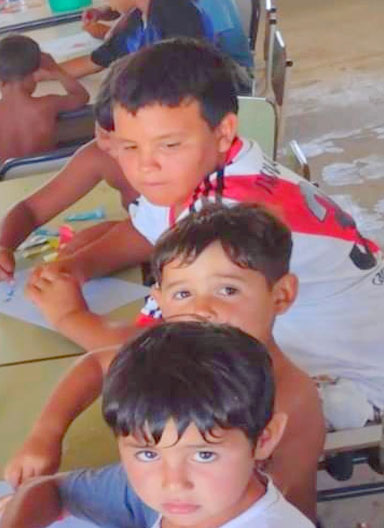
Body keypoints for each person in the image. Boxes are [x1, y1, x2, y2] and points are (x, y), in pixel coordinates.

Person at [29, 38, 384, 421]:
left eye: (168, 144)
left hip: (350, 389)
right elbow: (145, 228)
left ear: (222, 131)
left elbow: (162, 355)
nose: (146, 167)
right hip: (341, 350)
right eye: (129, 148)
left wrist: (70, 317)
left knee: (173, 414)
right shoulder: (212, 165)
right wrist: (80, 266)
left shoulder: (228, 215)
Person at [0, 322, 333, 528]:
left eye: (204, 454)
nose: (172, 482)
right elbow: (52, 489)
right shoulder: (175, 499)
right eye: (147, 454)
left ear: (265, 439)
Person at [6, 205, 325, 526]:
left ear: (281, 295)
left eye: (228, 290)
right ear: (160, 300)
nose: (201, 310)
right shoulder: (184, 350)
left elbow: (258, 519)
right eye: (183, 293)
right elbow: (98, 364)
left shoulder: (285, 399)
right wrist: (45, 435)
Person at [0, 70, 133, 283]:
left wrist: (91, 253)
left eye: (169, 144)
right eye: (127, 144)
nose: (148, 163)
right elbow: (30, 210)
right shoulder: (103, 155)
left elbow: (151, 235)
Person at [0, 35, 89, 165]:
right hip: (48, 174)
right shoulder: (47, 104)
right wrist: (57, 70)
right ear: (34, 74)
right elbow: (81, 96)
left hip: (9, 179)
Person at [57, 0, 210, 79]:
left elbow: (184, 79)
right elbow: (94, 61)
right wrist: (44, 72)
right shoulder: (139, 17)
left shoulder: (176, 14)